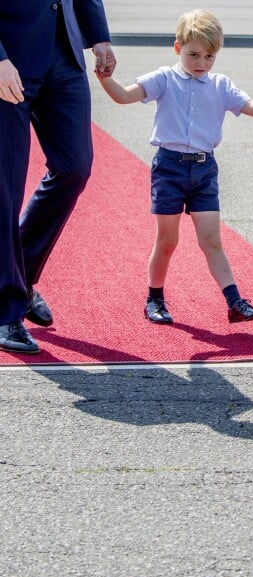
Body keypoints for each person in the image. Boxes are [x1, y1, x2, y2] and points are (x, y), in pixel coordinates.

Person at [97, 9, 253, 326]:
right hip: (169, 167)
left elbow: (250, 108)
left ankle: (235, 302)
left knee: (212, 241)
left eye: (209, 56)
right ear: (177, 48)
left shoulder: (220, 84)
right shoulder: (164, 78)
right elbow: (125, 96)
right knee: (167, 241)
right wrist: (105, 78)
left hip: (205, 170)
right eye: (193, 54)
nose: (201, 62)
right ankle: (155, 298)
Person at [0, 0, 116, 354]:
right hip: (10, 58)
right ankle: (6, 311)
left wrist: (98, 35)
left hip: (63, 55)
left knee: (74, 167)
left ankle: (22, 275)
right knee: (5, 189)